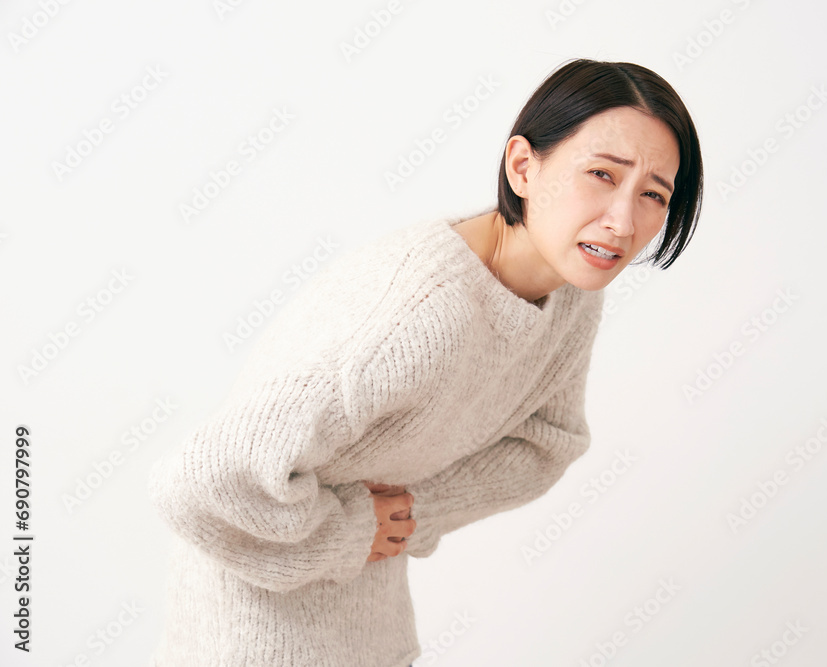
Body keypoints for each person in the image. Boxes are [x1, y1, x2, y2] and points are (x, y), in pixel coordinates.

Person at [145, 57, 703, 666]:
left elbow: (548, 441)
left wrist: (409, 515)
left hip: (365, 625)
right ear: (523, 167)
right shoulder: (419, 315)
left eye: (653, 194)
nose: (622, 221)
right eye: (601, 174)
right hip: (254, 638)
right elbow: (200, 484)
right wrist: (350, 532)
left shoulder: (569, 289)